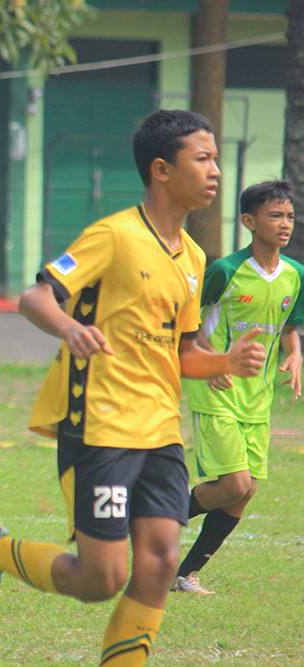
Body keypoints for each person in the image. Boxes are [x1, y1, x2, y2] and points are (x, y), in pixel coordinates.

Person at [0, 109, 266, 667]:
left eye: (217, 158)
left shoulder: (194, 259)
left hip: (160, 430)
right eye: (204, 158)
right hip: (99, 424)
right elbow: (35, 296)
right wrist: (71, 327)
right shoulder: (115, 235)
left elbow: (183, 351)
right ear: (162, 170)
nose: (216, 170)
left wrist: (226, 359)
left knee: (161, 562)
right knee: (102, 576)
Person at [173, 180, 304, 595]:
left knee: (243, 493)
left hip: (257, 397)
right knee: (232, 483)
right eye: (275, 216)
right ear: (249, 221)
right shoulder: (225, 271)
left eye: (289, 216)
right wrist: (210, 360)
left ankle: (184, 573)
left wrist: (295, 354)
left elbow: (290, 323)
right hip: (216, 390)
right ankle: (151, 518)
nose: (285, 224)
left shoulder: (296, 275)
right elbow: (188, 324)